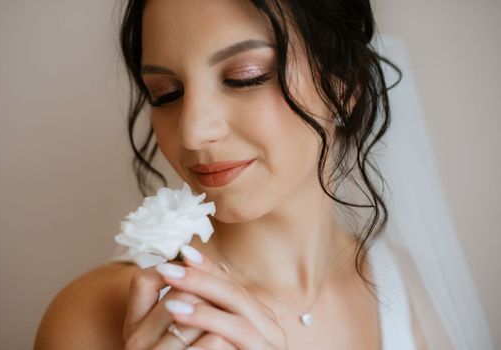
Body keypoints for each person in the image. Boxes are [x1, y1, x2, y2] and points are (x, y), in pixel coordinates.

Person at [35, 0, 494, 349]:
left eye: (245, 76)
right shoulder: (95, 316)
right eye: (166, 92)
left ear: (346, 86)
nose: (193, 131)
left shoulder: (411, 292)